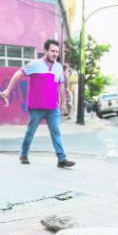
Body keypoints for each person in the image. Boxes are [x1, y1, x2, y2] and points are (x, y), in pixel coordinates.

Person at [4, 39, 76, 168]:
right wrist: (8, 89)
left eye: (57, 52)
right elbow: (17, 74)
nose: (55, 54)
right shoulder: (35, 65)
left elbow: (60, 85)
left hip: (52, 108)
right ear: (46, 51)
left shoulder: (58, 67)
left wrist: (63, 103)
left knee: (56, 133)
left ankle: (61, 159)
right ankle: (24, 154)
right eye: (52, 51)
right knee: (30, 132)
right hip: (36, 107)